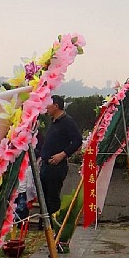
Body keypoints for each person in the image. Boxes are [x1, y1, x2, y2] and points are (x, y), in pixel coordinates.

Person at [38, 95, 82, 227]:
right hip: (45, 165)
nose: (46, 107)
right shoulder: (53, 122)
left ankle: (53, 226)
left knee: (52, 197)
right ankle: (44, 225)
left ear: (56, 106)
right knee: (43, 197)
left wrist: (63, 154)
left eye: (48, 104)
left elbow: (77, 140)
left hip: (56, 166)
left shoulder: (67, 122)